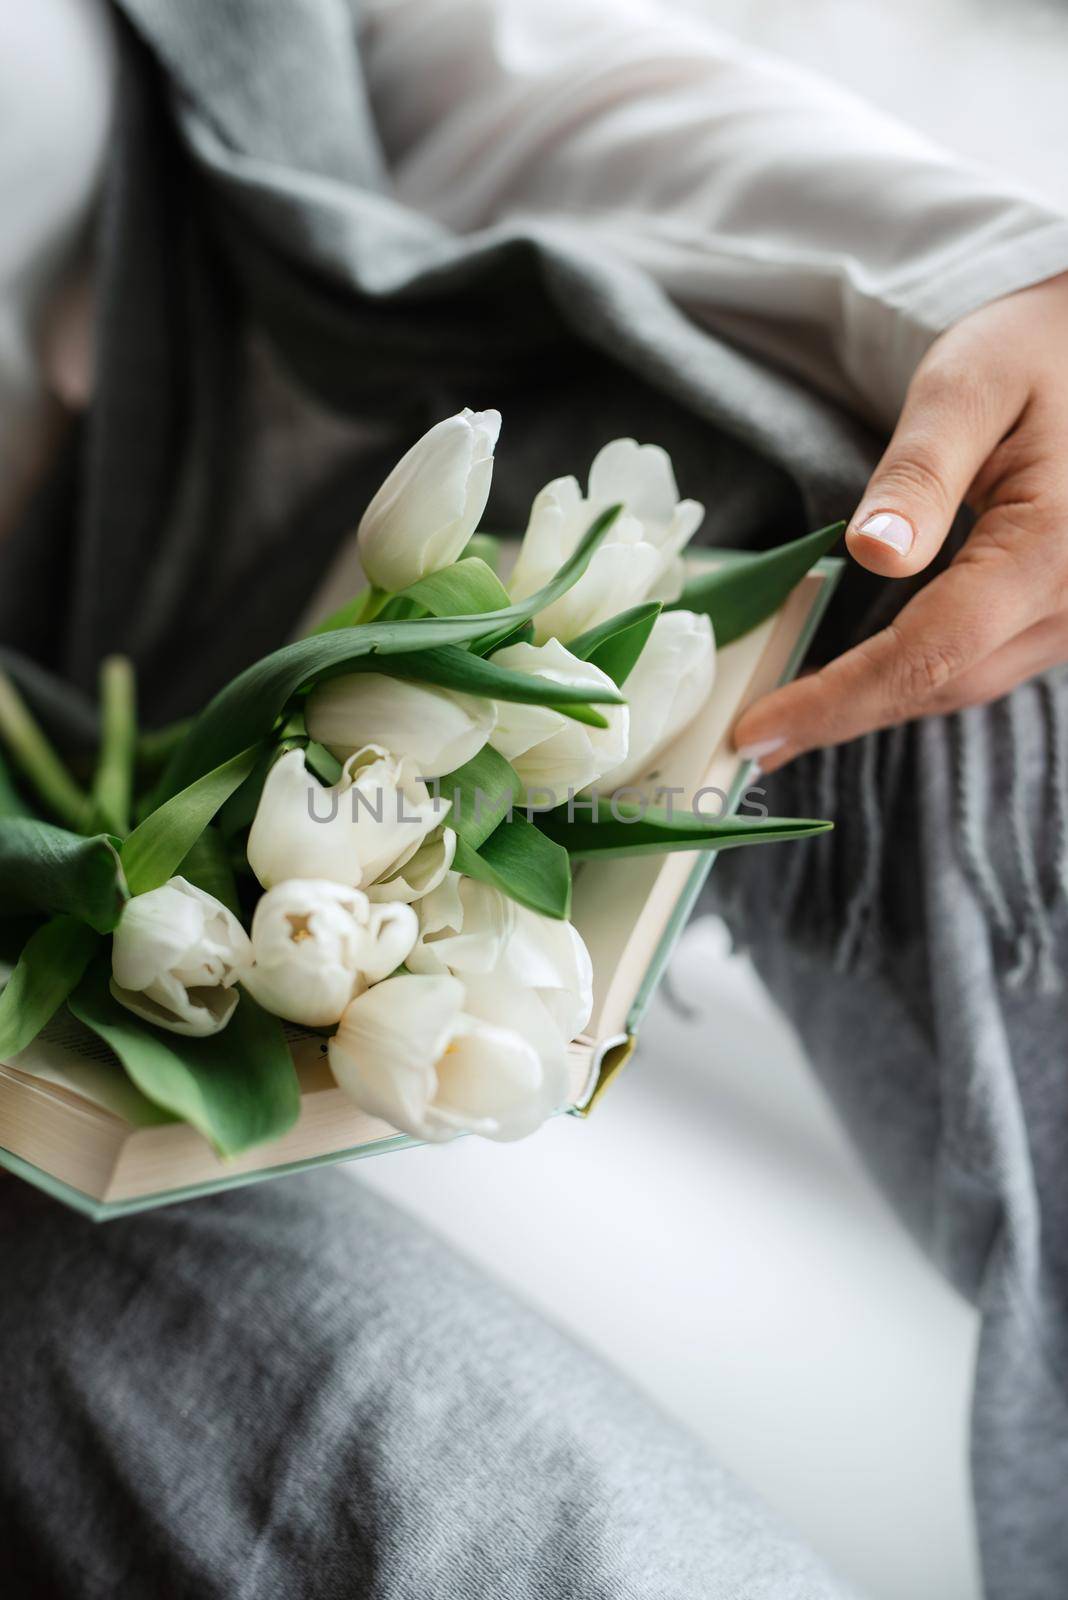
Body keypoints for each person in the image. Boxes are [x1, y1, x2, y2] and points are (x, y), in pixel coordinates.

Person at [2, 0, 1067, 1594]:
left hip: (236, 496)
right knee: (482, 1519)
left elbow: (405, 49)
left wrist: (999, 284)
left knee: (1006, 660)